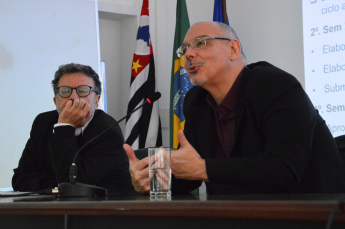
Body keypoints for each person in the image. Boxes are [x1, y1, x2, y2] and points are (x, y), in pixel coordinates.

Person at [124, 21, 345, 194]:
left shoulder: (276, 86)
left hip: (313, 211)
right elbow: (190, 172)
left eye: (201, 43)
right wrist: (151, 180)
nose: (188, 55)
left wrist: (203, 169)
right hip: (241, 213)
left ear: (233, 49)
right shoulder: (196, 101)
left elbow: (285, 169)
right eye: (184, 50)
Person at [12, 63, 133, 194]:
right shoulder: (43, 123)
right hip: (50, 210)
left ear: (96, 100)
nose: (74, 98)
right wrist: (58, 186)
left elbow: (73, 189)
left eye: (83, 91)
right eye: (65, 91)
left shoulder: (108, 131)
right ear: (55, 101)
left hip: (103, 210)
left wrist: (64, 127)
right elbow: (20, 179)